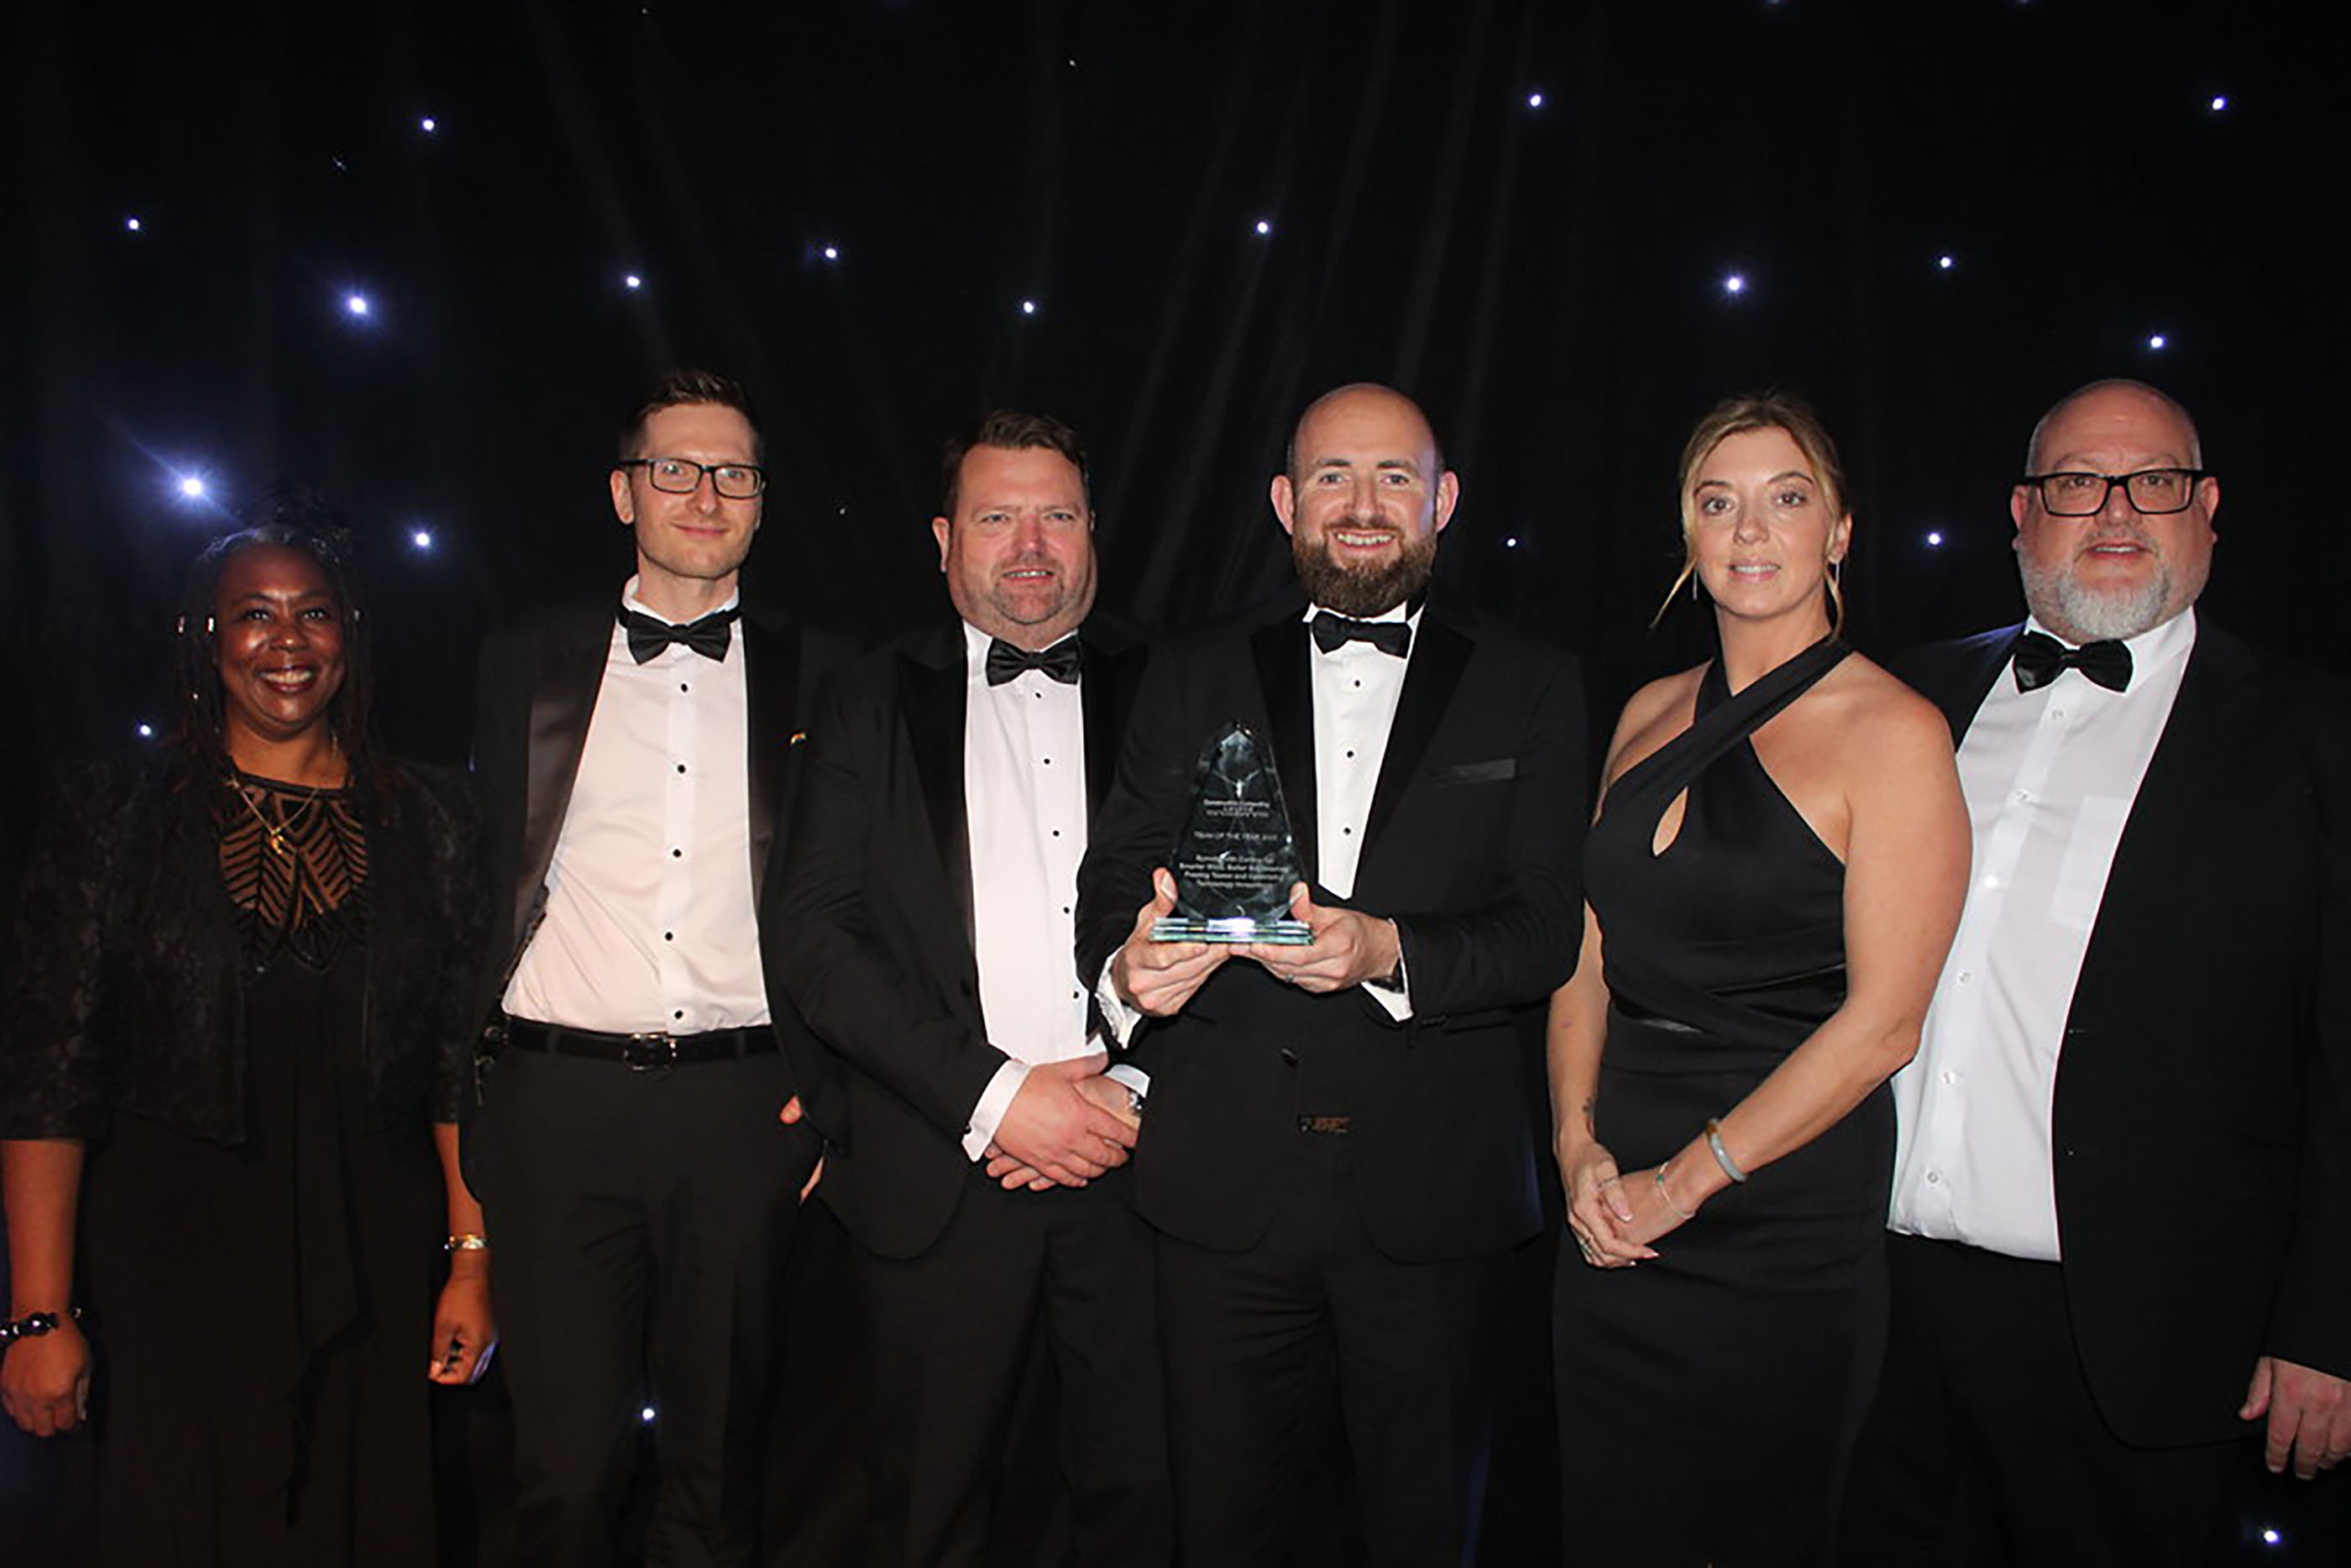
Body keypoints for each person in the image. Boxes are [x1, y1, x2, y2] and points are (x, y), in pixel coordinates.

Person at [1839, 379, 2351, 1565]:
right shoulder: (1907, 695)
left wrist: (2328, 1324)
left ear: (2206, 507)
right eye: (2077, 482)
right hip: (1878, 1306)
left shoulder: (2314, 736)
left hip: (2142, 1334)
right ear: (2022, 513)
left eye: (2153, 481)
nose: (2116, 511)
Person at [1077, 383, 1585, 1565]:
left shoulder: (1532, 677)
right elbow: (1113, 883)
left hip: (1438, 1202)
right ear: (1283, 501)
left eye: (1394, 477)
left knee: (1428, 1533)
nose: (1363, 505)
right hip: (1220, 1196)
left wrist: (1389, 949)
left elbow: (1545, 929)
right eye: (1331, 477)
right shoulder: (1188, 667)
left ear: (1443, 500)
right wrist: (1127, 971)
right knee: (1220, 1532)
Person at [0, 515, 495, 1567]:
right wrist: (39, 1314)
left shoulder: (437, 818)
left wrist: (469, 1260)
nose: (287, 640)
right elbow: (49, 1071)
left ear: (350, 631)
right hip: (172, 1254)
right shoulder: (116, 811)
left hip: (376, 1243)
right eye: (254, 615)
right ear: (207, 636)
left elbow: (460, 1059)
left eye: (314, 612)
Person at [1547, 393, 1968, 1565]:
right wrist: (1574, 1143)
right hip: (1610, 1203)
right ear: (1687, 533)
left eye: (1787, 499)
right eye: (1717, 501)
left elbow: (1884, 1026)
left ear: (1840, 532)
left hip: (1779, 1212)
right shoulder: (1646, 709)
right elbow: (1586, 950)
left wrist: (1686, 1183)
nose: (1749, 530)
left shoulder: (1895, 730)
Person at [769, 410, 1168, 1566]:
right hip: (939, 1169)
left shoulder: (1180, 686)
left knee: (1149, 1511)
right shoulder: (861, 696)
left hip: (1146, 1176)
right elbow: (816, 940)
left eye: (1057, 516)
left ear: (1093, 532)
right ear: (945, 540)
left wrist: (1130, 1087)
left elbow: (1236, 913)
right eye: (998, 517)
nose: (1030, 545)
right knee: (924, 1518)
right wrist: (1000, 1098)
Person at [466, 368, 840, 1567]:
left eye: (733, 472)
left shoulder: (827, 676)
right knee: (566, 1473)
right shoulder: (524, 660)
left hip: (743, 1110)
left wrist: (832, 1087)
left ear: (762, 502)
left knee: (718, 1471)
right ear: (624, 493)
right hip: (557, 1105)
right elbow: (471, 879)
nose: (705, 493)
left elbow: (859, 901)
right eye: (675, 468)